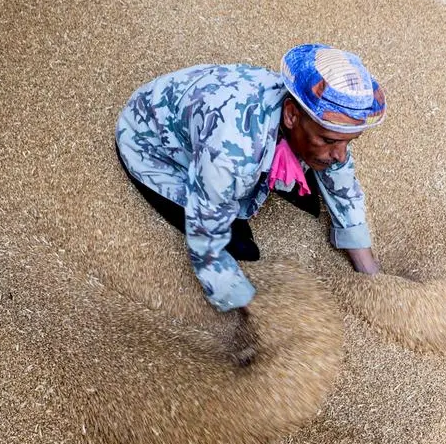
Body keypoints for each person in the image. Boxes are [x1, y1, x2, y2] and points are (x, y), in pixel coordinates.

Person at [115, 43, 386, 365]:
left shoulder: (311, 117)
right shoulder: (232, 153)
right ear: (291, 114)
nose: (340, 154)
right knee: (241, 247)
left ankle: (293, 159)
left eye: (348, 142)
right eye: (329, 140)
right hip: (153, 145)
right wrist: (253, 314)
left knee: (316, 184)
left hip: (221, 126)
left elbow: (341, 177)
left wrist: (370, 272)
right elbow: (207, 235)